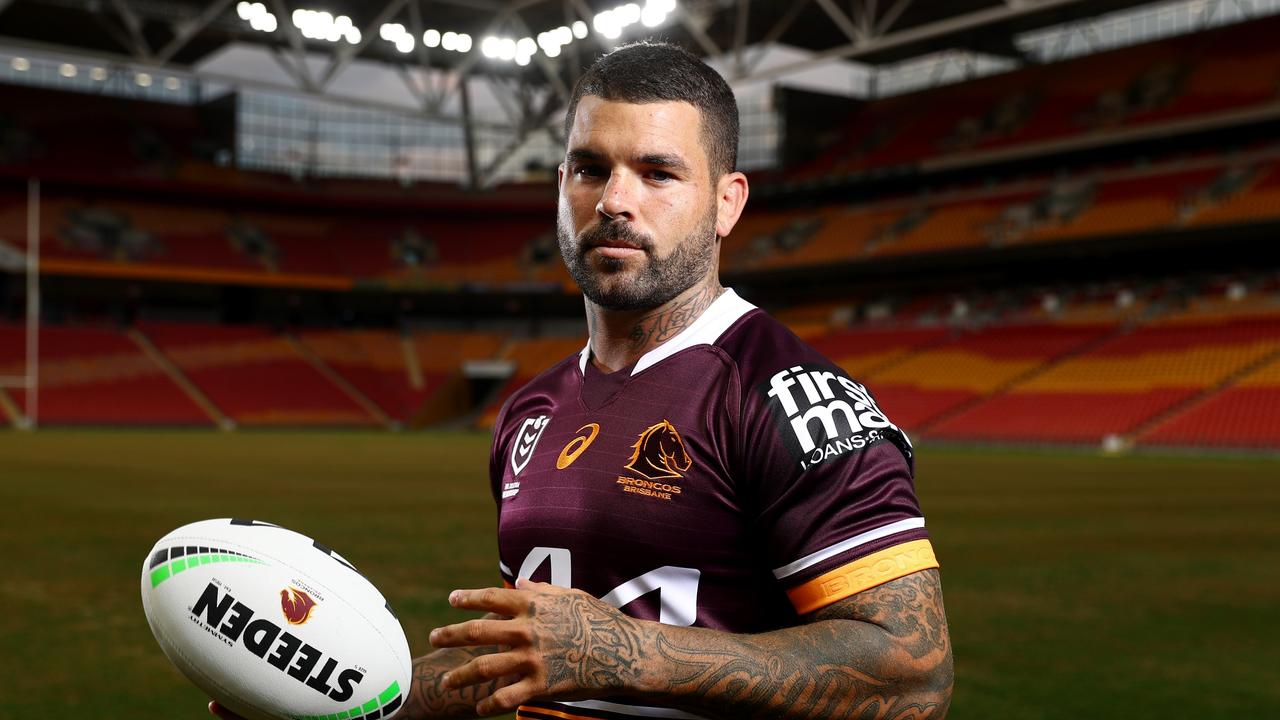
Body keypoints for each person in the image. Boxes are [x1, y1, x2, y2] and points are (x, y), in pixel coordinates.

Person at [214, 41, 951, 720]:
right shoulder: (528, 412)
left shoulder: (787, 397)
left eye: (658, 173)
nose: (614, 202)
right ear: (561, 183)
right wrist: (336, 705)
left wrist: (633, 655)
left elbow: (915, 676)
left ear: (727, 203)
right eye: (590, 169)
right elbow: (527, 654)